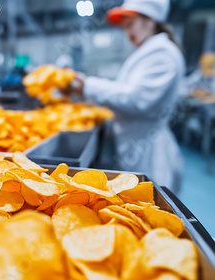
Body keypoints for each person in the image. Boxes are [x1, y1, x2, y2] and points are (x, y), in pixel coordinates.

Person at [62, 0, 185, 193]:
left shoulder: (162, 54)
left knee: (148, 210)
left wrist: (87, 86)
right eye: (124, 28)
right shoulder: (147, 52)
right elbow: (124, 92)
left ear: (150, 20)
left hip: (149, 154)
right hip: (134, 145)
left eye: (130, 25)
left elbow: (137, 100)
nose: (127, 33)